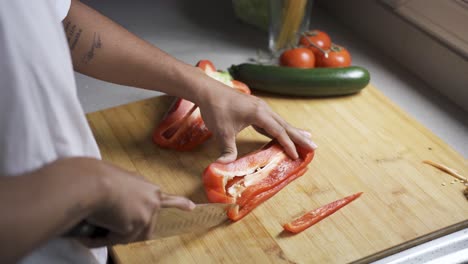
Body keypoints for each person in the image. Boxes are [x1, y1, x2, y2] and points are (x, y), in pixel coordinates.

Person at [0, 0, 317, 263]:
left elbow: (53, 17)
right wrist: (90, 185)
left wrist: (206, 88)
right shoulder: (88, 186)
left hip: (76, 239)